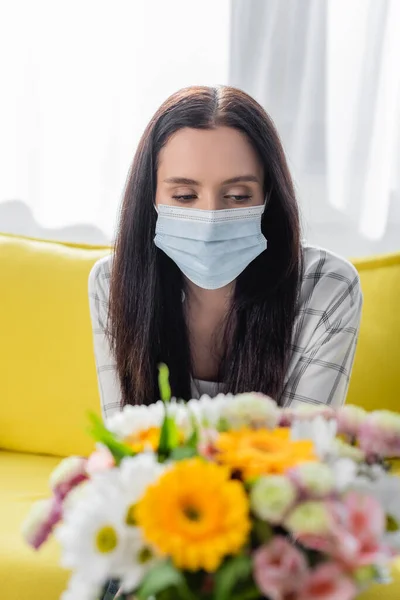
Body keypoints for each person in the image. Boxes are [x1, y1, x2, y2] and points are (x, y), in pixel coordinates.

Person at [89, 85, 363, 427]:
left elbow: (300, 452)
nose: (210, 218)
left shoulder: (328, 287)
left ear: (268, 196)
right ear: (152, 197)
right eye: (186, 195)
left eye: (237, 196)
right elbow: (126, 438)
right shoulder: (112, 281)